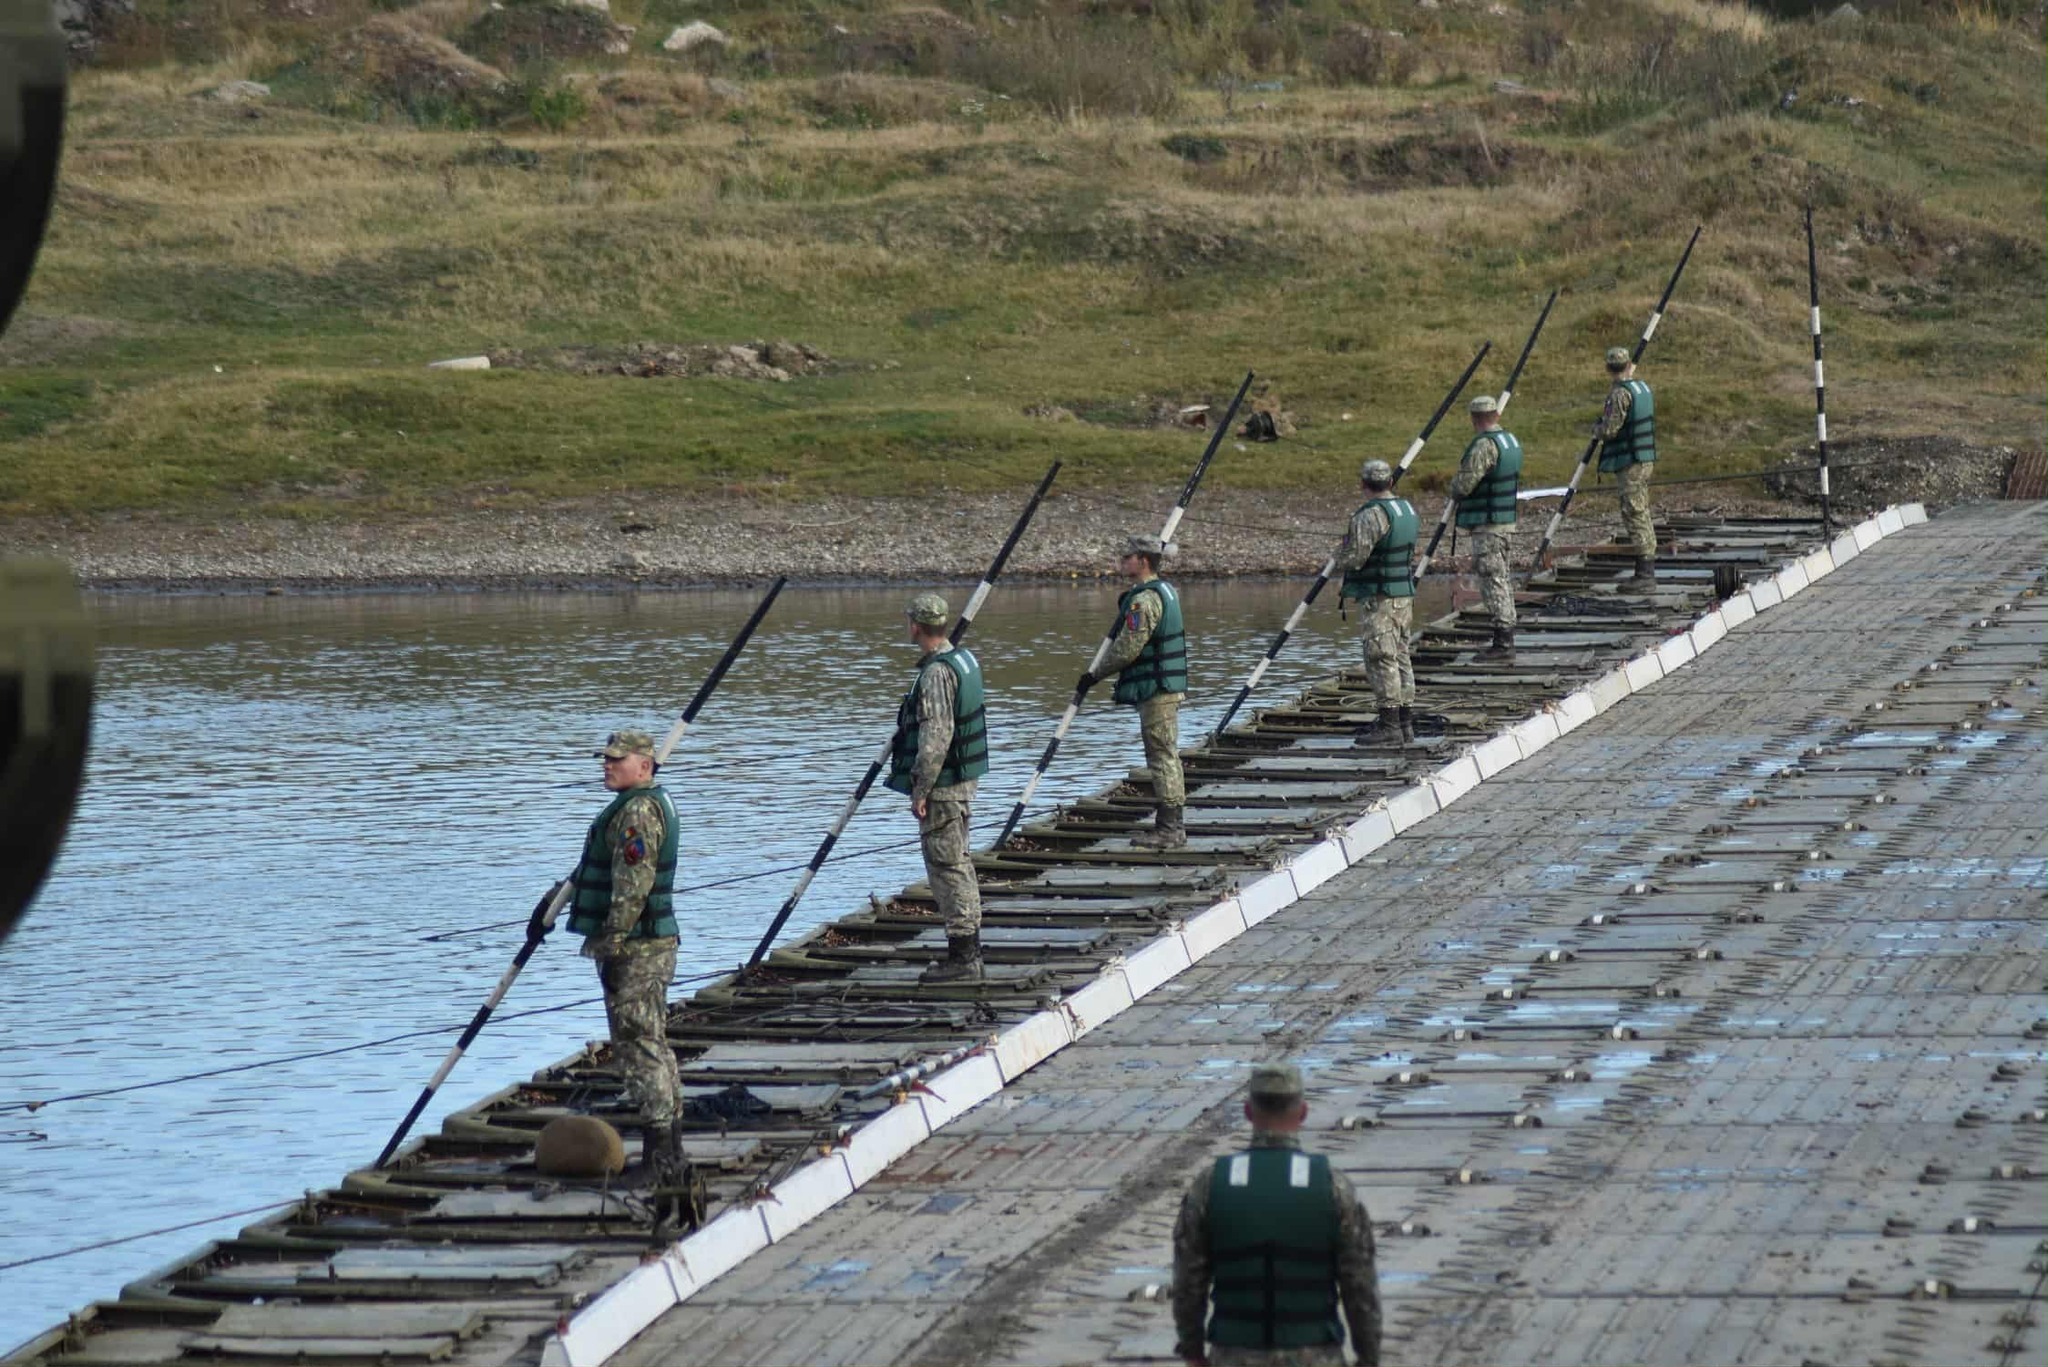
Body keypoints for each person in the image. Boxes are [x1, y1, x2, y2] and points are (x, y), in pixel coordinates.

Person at [1171, 1064, 1382, 1367]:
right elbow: (1359, 1284)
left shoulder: (1211, 1185)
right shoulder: (1331, 1186)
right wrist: (1368, 1355)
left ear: (1247, 1112)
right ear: (1303, 1113)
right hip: (1315, 1353)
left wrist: (1192, 1349)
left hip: (1234, 1354)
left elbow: (1188, 1282)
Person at [564, 729, 684, 1181]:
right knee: (653, 1042)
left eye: (618, 759)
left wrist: (613, 944)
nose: (607, 765)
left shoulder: (637, 812)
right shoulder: (644, 804)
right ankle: (669, 1149)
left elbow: (632, 886)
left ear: (645, 766)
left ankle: (660, 1156)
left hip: (638, 947)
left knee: (640, 1047)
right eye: (606, 759)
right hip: (650, 944)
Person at [883, 592, 989, 984]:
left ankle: (964, 957)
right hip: (962, 781)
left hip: (944, 787)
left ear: (916, 626)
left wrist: (920, 789)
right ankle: (967, 950)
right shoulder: (963, 658)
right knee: (957, 862)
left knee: (947, 867)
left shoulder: (936, 673)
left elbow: (936, 737)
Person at [1080, 534, 1189, 850]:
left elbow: (1127, 648)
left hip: (1157, 690)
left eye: (1127, 557)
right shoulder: (1165, 590)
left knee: (1162, 757)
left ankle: (1170, 829)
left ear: (1143, 560)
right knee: (1165, 755)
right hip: (1164, 688)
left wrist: (1095, 675)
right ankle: (1169, 825)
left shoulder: (1144, 600)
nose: (1121, 562)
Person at [1335, 460, 1418, 746]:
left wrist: (1338, 556)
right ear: (1390, 483)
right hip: (1402, 596)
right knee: (1400, 653)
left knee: (1380, 656)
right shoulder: (1405, 510)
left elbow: (1355, 557)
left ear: (1363, 484)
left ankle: (1389, 724)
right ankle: (1405, 721)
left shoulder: (1370, 515)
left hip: (1380, 598)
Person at [1448, 394, 1524, 663]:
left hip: (1489, 524)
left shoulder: (1484, 445)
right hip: (1504, 521)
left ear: (1474, 418)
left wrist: (1453, 487)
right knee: (1501, 577)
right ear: (1496, 415)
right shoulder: (1510, 441)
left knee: (1492, 580)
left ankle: (1503, 642)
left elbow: (1464, 484)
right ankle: (1505, 635)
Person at [1595, 345, 1658, 582]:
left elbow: (1610, 429)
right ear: (1628, 364)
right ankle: (1647, 560)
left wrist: (1596, 429)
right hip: (1645, 457)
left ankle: (1645, 571)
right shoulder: (1642, 388)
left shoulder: (1620, 394)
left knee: (1633, 511)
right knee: (1641, 508)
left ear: (1608, 368)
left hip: (1631, 461)